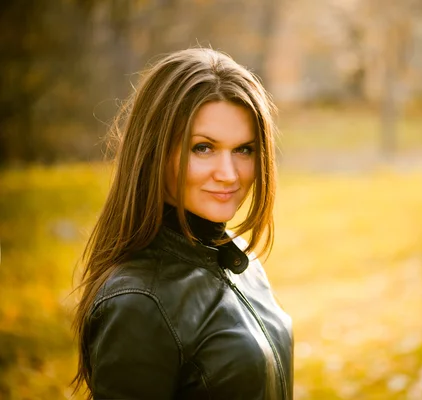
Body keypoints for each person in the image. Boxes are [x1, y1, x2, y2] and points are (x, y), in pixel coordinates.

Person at [72, 48, 293, 400]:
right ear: (154, 151)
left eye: (244, 150)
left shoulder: (238, 260)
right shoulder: (138, 302)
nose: (229, 174)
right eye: (203, 148)